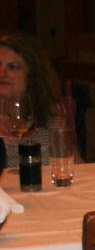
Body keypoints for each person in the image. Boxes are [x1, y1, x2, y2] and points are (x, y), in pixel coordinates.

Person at [0, 32, 71, 167]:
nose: (2, 74)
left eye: (13, 67)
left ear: (32, 75)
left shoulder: (52, 115)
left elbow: (75, 167)